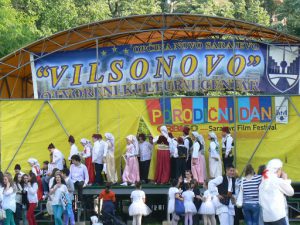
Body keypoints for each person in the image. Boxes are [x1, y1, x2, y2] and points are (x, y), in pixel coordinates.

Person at [259, 159, 294, 225]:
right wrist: (285, 179)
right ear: (278, 169)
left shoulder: (263, 181)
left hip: (267, 217)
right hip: (278, 217)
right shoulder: (276, 180)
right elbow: (291, 192)